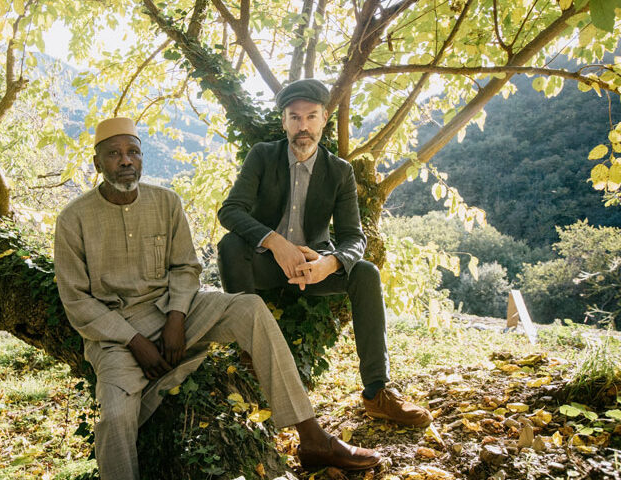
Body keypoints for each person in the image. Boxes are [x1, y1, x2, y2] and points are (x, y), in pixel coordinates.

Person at [54, 117, 383, 480]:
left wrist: (177, 318)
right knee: (115, 416)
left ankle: (312, 438)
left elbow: (184, 268)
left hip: (174, 311)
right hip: (116, 335)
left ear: (142, 157)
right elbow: (77, 301)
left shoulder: (166, 202)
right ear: (98, 163)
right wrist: (133, 341)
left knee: (250, 308)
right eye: (114, 154)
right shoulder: (73, 220)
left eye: (133, 152)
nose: (126, 161)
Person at [217, 79, 433, 428]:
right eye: (295, 117)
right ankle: (249, 356)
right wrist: (276, 242)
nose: (303, 126)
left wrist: (327, 264)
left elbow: (353, 237)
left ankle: (377, 392)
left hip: (313, 271)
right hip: (265, 267)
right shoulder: (262, 155)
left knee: (365, 273)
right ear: (284, 121)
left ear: (323, 120)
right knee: (229, 246)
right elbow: (231, 211)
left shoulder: (340, 171)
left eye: (311, 117)